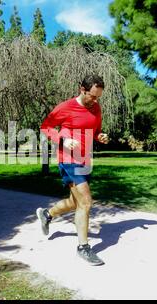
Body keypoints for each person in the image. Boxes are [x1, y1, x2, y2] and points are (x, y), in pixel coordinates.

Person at [36, 75, 110, 266]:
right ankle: (83, 247)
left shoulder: (96, 108)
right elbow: (46, 127)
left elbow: (94, 130)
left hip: (84, 159)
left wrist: (99, 136)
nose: (95, 101)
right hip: (68, 159)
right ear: (82, 90)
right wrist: (63, 139)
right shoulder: (66, 107)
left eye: (98, 97)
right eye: (92, 96)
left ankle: (47, 214)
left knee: (74, 201)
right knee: (85, 202)